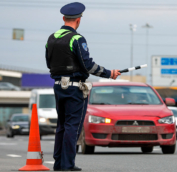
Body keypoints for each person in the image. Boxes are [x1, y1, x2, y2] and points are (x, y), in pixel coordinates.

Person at [45, 2, 121, 171]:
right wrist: (109, 73)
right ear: (78, 20)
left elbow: (49, 63)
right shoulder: (77, 39)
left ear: (64, 18)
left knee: (62, 125)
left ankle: (59, 163)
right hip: (74, 88)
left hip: (58, 86)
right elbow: (87, 65)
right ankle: (67, 165)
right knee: (73, 126)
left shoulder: (51, 38)